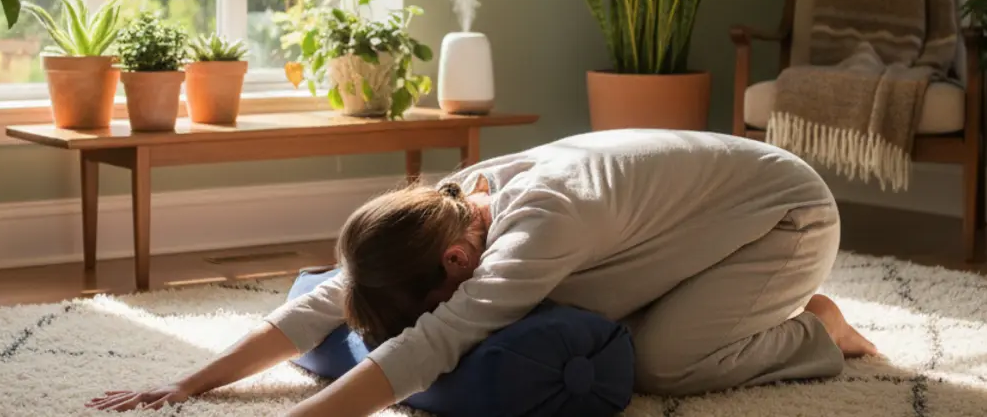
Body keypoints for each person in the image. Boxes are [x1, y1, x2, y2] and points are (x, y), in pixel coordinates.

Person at [88, 130, 876, 416]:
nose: (429, 311)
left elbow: (437, 342)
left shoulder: (540, 224)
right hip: (700, 221)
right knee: (595, 313)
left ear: (458, 261)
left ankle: (818, 329)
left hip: (785, 217)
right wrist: (191, 385)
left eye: (432, 294)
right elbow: (333, 298)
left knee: (663, 363)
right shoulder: (452, 208)